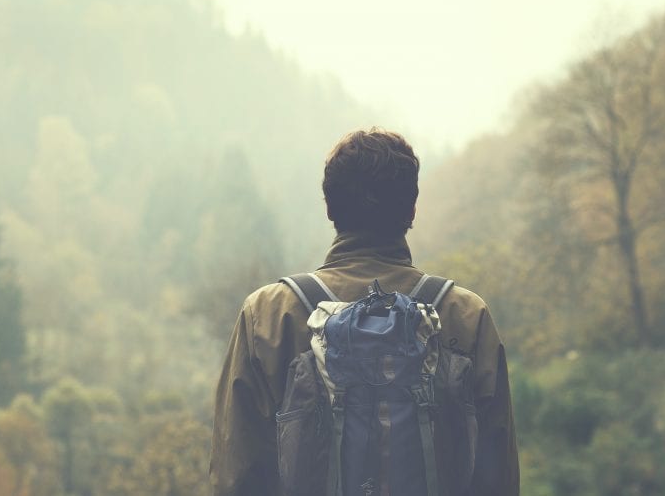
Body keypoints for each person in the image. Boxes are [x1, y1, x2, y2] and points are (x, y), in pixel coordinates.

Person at [209, 128, 519, 495]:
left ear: (329, 208)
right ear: (411, 209)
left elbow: (238, 475)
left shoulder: (269, 314)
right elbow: (496, 477)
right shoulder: (466, 316)